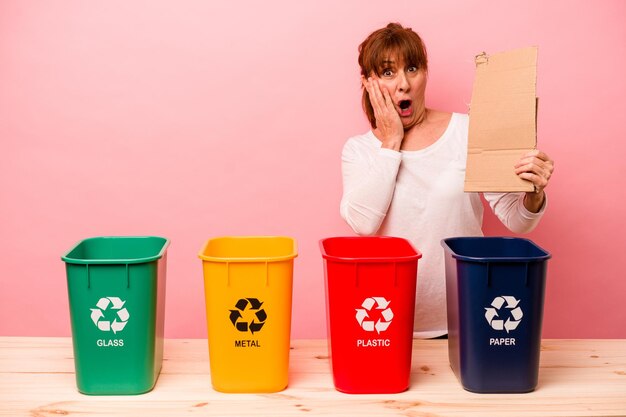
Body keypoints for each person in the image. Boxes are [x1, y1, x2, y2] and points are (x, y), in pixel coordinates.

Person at [340, 23, 555, 339]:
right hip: (384, 322)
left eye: (412, 68)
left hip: (469, 317)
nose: (403, 84)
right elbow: (363, 223)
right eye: (387, 73)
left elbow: (517, 220)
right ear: (368, 83)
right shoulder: (359, 150)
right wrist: (391, 142)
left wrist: (533, 192)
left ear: (425, 73)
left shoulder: (468, 131)